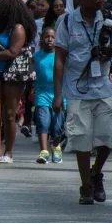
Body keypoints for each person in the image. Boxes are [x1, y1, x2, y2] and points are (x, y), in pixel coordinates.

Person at [53, 0, 112, 205]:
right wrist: (57, 94)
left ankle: (96, 172)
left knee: (107, 138)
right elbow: (60, 58)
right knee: (81, 140)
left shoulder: (109, 17)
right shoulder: (67, 21)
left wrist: (108, 53)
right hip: (76, 89)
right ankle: (86, 185)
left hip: (103, 87)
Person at [0, 0, 35, 163]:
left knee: (9, 114)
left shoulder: (18, 28)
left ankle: (8, 152)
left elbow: (13, 53)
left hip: (13, 74)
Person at [32, 26, 64, 164]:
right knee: (43, 122)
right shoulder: (36, 57)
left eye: (52, 37)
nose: (49, 39)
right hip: (41, 93)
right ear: (41, 39)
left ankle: (56, 147)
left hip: (59, 93)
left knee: (57, 126)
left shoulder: (61, 55)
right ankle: (44, 151)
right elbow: (31, 72)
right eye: (46, 37)